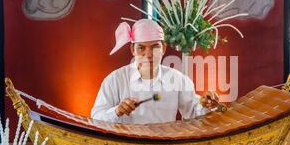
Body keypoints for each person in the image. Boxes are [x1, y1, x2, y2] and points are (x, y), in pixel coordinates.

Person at [91, 19, 220, 123]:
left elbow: (194, 113)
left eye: (154, 47)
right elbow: (96, 118)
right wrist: (117, 111)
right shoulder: (115, 80)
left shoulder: (177, 79)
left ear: (163, 48)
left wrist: (206, 104)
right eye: (141, 48)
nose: (148, 55)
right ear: (132, 50)